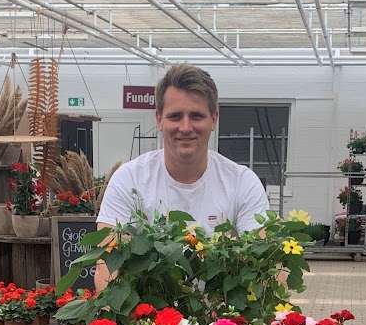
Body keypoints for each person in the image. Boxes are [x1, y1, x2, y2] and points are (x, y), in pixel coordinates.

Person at [96, 63, 266, 235]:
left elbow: (263, 250)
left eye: (196, 116)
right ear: (159, 120)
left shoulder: (242, 183)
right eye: (175, 116)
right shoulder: (129, 180)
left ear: (214, 120)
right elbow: (110, 250)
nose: (185, 128)